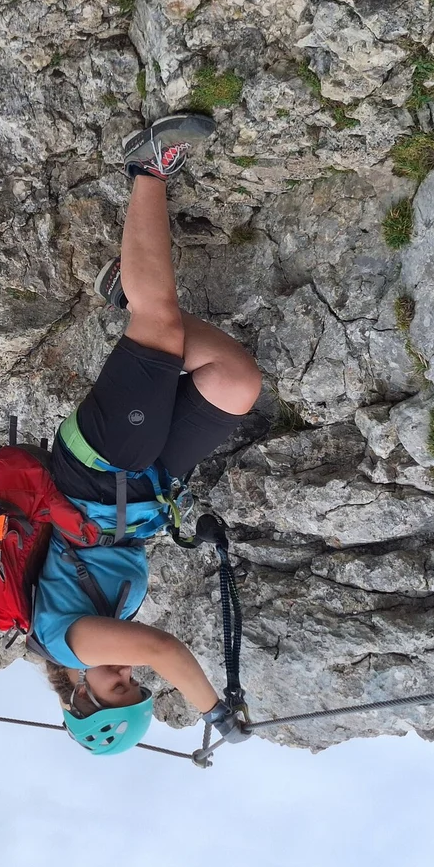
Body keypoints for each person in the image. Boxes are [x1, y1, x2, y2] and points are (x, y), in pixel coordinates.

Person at [30, 113, 263, 756]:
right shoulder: (107, 626)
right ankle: (128, 289)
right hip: (146, 487)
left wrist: (215, 713)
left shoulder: (65, 640)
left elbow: (164, 650)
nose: (129, 677)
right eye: (137, 689)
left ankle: (146, 162)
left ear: (80, 695)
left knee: (158, 327)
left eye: (116, 690)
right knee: (234, 382)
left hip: (98, 472)